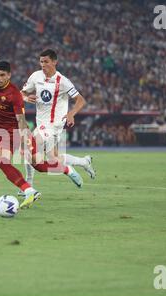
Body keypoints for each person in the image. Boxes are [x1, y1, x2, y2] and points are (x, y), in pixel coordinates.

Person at [0, 61, 83, 209]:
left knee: (39, 166)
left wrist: (25, 140)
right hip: (0, 135)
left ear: (9, 75)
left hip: (18, 132)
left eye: (2, 75)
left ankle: (67, 169)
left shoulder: (14, 94)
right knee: (1, 161)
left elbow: (21, 121)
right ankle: (29, 190)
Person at [20, 49, 96, 195]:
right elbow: (21, 93)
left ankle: (28, 187)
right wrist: (24, 98)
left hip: (54, 125)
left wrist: (71, 114)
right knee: (53, 157)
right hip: (41, 123)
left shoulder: (63, 81)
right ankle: (84, 162)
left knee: (30, 148)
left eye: (46, 62)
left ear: (54, 62)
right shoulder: (35, 76)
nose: (43, 65)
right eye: (41, 61)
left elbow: (81, 100)